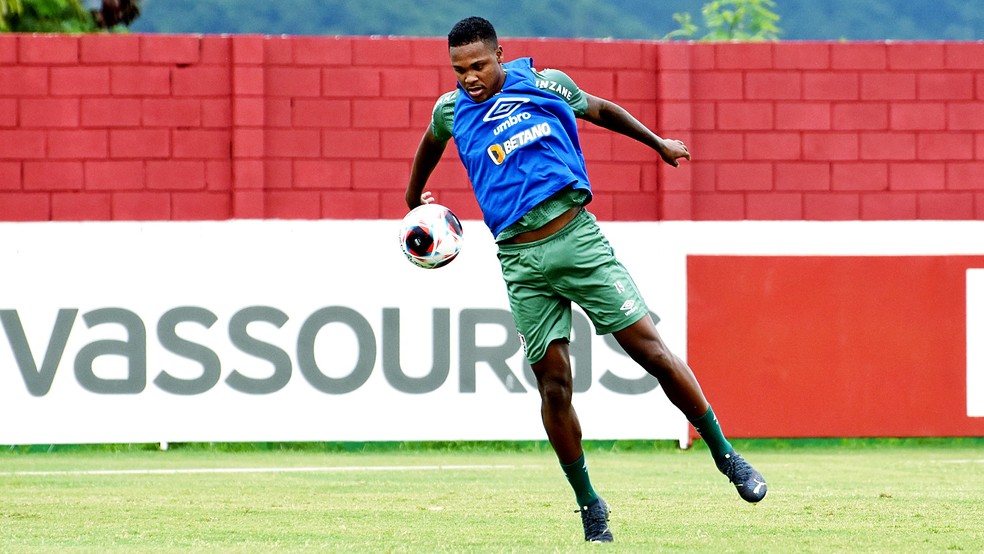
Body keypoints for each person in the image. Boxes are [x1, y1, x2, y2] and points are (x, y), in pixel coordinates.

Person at [405, 16, 767, 543]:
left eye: (479, 65)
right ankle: (590, 506)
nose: (470, 77)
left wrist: (659, 143)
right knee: (554, 385)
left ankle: (728, 457)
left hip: (578, 240)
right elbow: (430, 143)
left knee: (653, 354)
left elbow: (603, 111)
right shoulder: (451, 110)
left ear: (500, 54)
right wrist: (414, 196)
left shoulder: (548, 84)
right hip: (520, 262)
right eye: (460, 69)